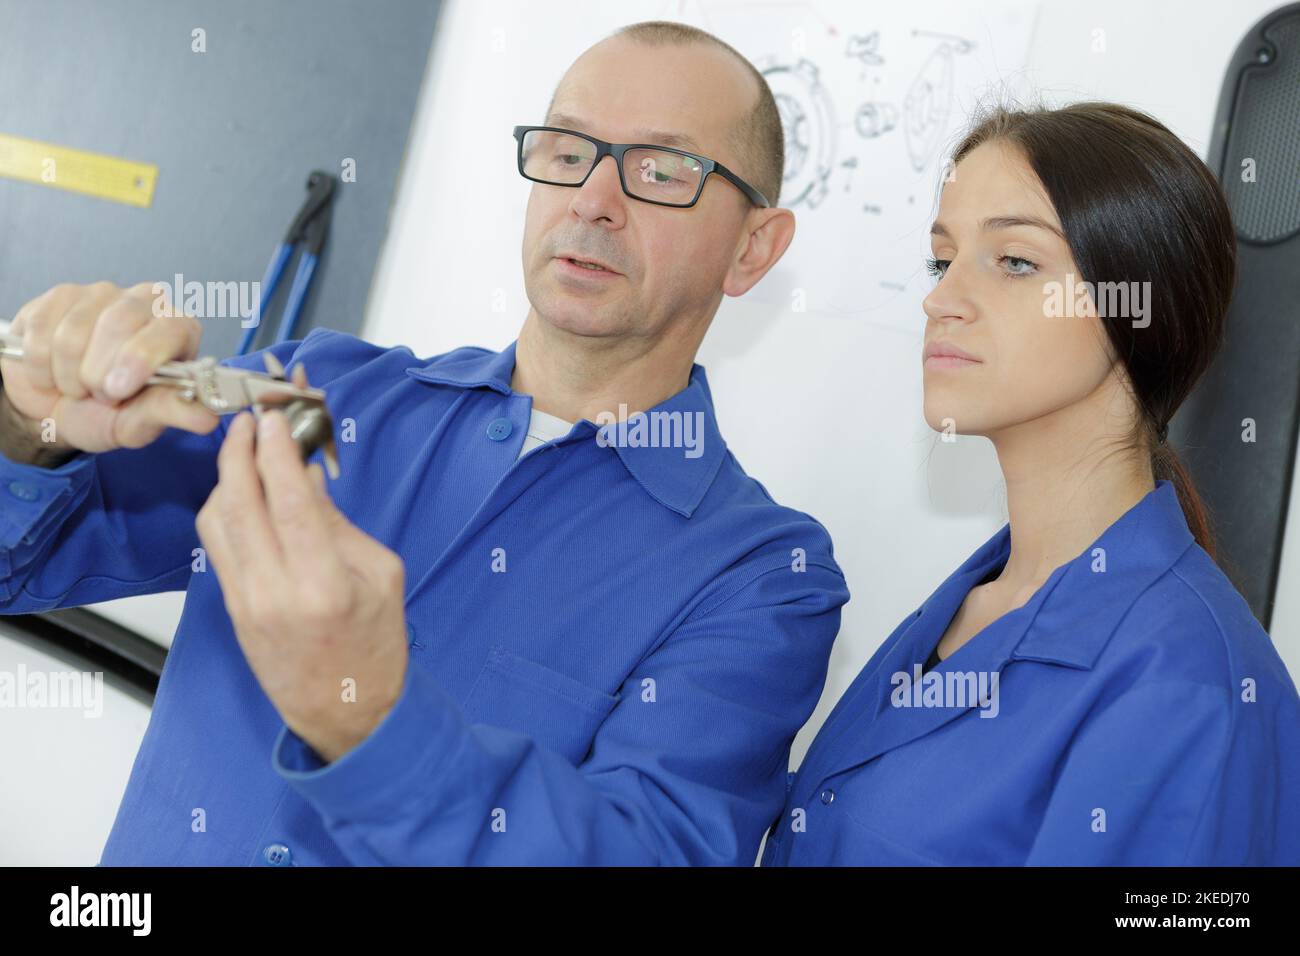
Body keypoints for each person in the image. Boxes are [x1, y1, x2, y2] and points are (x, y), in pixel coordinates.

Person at [0, 20, 850, 865]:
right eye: (568, 151)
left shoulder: (764, 582)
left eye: (661, 170)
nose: (595, 199)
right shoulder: (311, 395)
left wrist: (372, 718)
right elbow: (17, 566)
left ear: (753, 250)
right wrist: (25, 422)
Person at [763, 102, 1300, 866]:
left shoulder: (1192, 688)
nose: (941, 296)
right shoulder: (963, 609)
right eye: (940, 259)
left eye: (1016, 261)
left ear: (1139, 307)